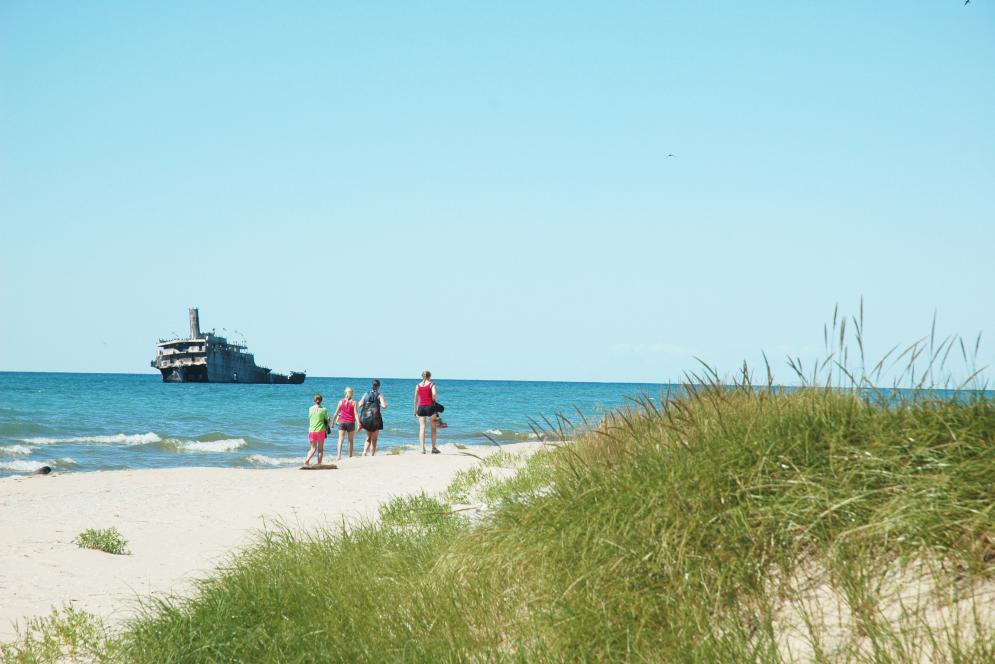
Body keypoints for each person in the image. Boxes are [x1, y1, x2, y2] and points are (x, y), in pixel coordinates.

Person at [413, 370, 442, 454]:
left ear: (422, 376)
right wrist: (433, 401)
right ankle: (433, 448)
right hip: (430, 407)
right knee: (433, 428)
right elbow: (434, 394)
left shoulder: (418, 385)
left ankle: (422, 449)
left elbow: (415, 399)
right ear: (429, 376)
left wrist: (415, 410)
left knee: (422, 428)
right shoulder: (432, 384)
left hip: (421, 408)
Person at [359, 379, 388, 456]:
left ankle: (364, 452)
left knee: (368, 438)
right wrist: (383, 404)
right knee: (374, 439)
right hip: (375, 419)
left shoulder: (366, 393)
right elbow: (384, 406)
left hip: (366, 418)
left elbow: (360, 404)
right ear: (378, 386)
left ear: (372, 385)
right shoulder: (379, 395)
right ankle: (372, 455)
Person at [332, 387, 360, 460]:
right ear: (352, 394)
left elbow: (336, 413)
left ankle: (338, 456)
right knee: (350, 441)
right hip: (351, 423)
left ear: (345, 393)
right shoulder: (354, 402)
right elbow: (356, 414)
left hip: (342, 422)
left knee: (340, 439)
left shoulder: (341, 401)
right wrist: (359, 423)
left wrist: (332, 422)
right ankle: (350, 456)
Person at [304, 394, 330, 465]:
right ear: (321, 400)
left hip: (311, 431)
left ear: (314, 400)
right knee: (320, 450)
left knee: (312, 448)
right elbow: (328, 420)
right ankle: (319, 464)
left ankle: (307, 460)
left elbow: (310, 417)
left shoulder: (310, 409)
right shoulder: (324, 409)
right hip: (321, 431)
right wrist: (328, 426)